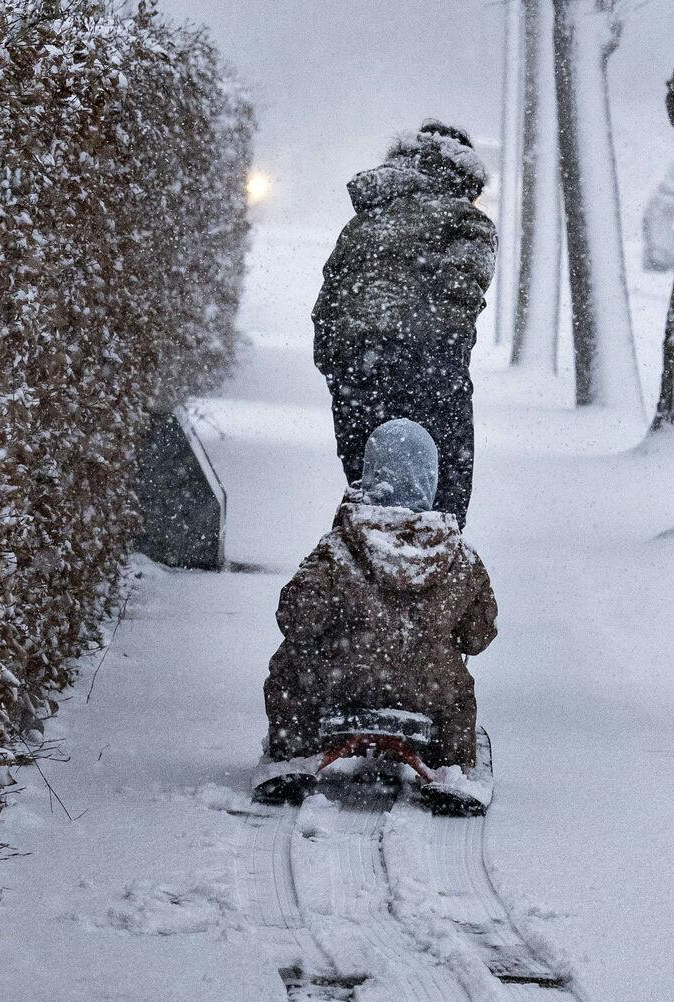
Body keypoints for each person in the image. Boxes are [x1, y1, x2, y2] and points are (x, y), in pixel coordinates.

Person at [262, 420, 497, 778]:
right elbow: (477, 637)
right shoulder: (459, 556)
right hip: (429, 691)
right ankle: (452, 765)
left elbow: (297, 620)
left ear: (370, 476)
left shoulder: (337, 548)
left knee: (289, 671)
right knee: (458, 698)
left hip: (338, 682)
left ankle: (292, 751)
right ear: (431, 480)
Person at [313, 121, 496, 525]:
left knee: (369, 491)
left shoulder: (364, 222)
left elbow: (328, 303)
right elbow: (462, 294)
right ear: (465, 175)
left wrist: (341, 365)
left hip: (355, 372)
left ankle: (364, 558)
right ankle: (430, 559)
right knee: (442, 500)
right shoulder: (467, 222)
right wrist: (439, 355)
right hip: (429, 369)